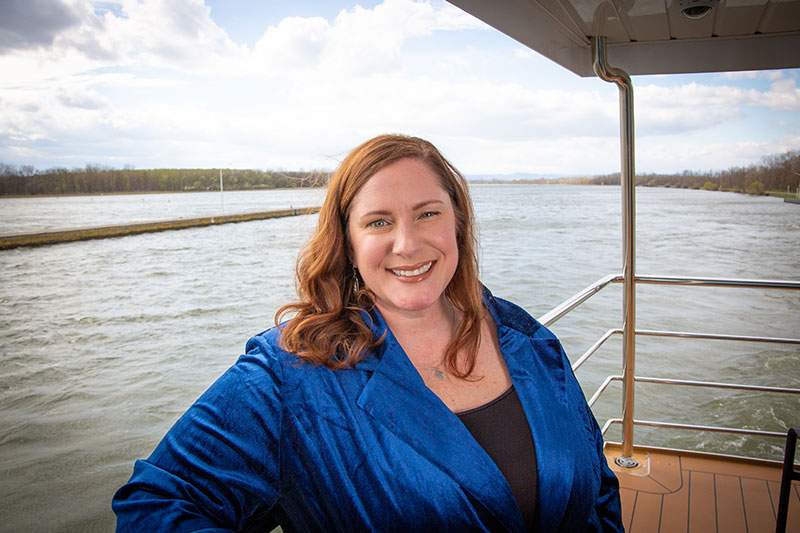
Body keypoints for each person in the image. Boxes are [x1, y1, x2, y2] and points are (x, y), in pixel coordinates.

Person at [113, 134, 622, 532]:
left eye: (428, 213)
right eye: (379, 222)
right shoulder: (288, 373)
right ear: (348, 242)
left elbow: (596, 488)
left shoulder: (526, 340)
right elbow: (156, 504)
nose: (408, 243)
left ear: (458, 223)